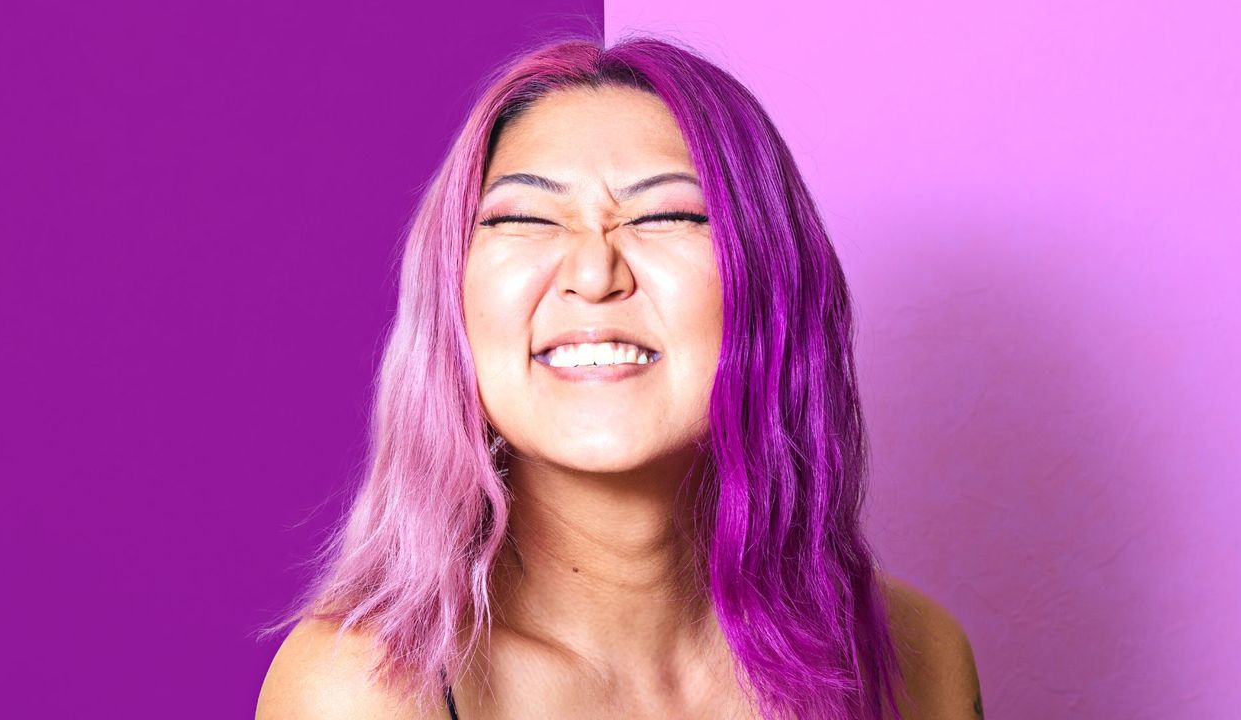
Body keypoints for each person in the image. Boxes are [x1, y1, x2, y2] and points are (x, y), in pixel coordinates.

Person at [255, 33, 982, 720]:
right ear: (456, 299)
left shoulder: (919, 660)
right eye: (526, 220)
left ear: (769, 281)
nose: (595, 272)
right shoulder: (364, 689)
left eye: (665, 214)